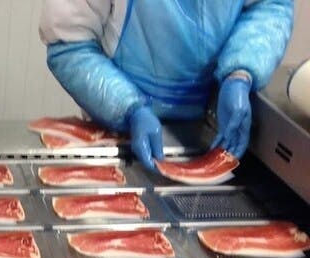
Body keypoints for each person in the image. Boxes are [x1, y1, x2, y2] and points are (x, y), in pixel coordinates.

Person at [40, 1, 293, 170]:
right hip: (118, 141)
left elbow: (270, 6)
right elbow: (69, 46)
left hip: (212, 134)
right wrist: (128, 108)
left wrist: (241, 71)